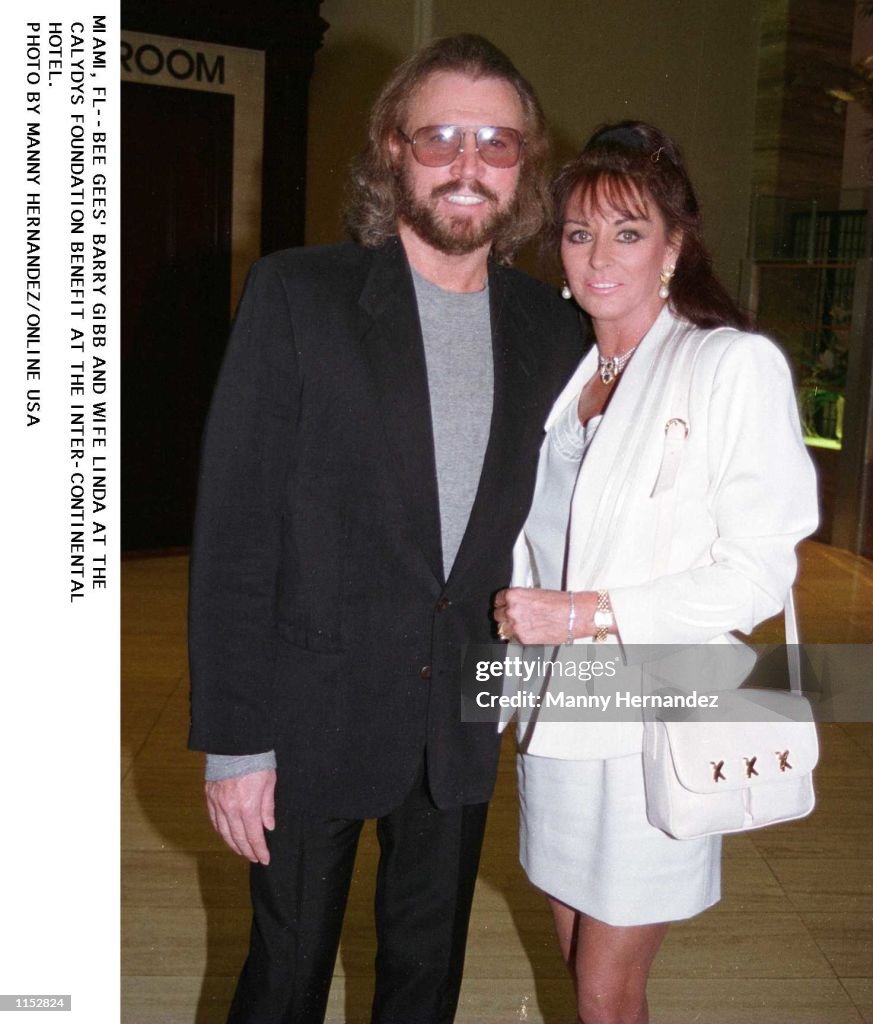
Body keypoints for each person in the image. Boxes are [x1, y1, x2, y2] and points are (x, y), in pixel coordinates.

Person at [187, 34, 582, 1024]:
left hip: (458, 713)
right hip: (306, 709)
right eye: (440, 135)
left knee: (425, 977)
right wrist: (237, 743)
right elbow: (235, 531)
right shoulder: (297, 295)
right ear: (391, 151)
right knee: (282, 982)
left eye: (496, 142)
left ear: (523, 167)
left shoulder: (554, 330)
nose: (467, 163)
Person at [493, 121, 818, 1024]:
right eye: (578, 232)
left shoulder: (728, 365)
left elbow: (754, 574)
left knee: (605, 990)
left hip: (659, 718)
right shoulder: (569, 376)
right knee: (581, 971)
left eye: (628, 233)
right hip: (558, 718)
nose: (600, 257)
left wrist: (590, 613)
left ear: (673, 248)